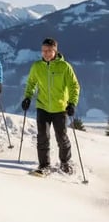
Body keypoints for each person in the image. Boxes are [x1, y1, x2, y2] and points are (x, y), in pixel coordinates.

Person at [21, 37, 80, 175]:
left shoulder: (65, 67)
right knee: (42, 136)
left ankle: (65, 162)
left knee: (61, 137)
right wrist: (28, 97)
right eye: (43, 51)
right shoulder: (37, 66)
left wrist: (72, 103)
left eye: (49, 51)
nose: (46, 54)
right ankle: (44, 165)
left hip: (60, 108)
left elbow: (74, 86)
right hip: (42, 107)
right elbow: (31, 83)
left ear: (55, 51)